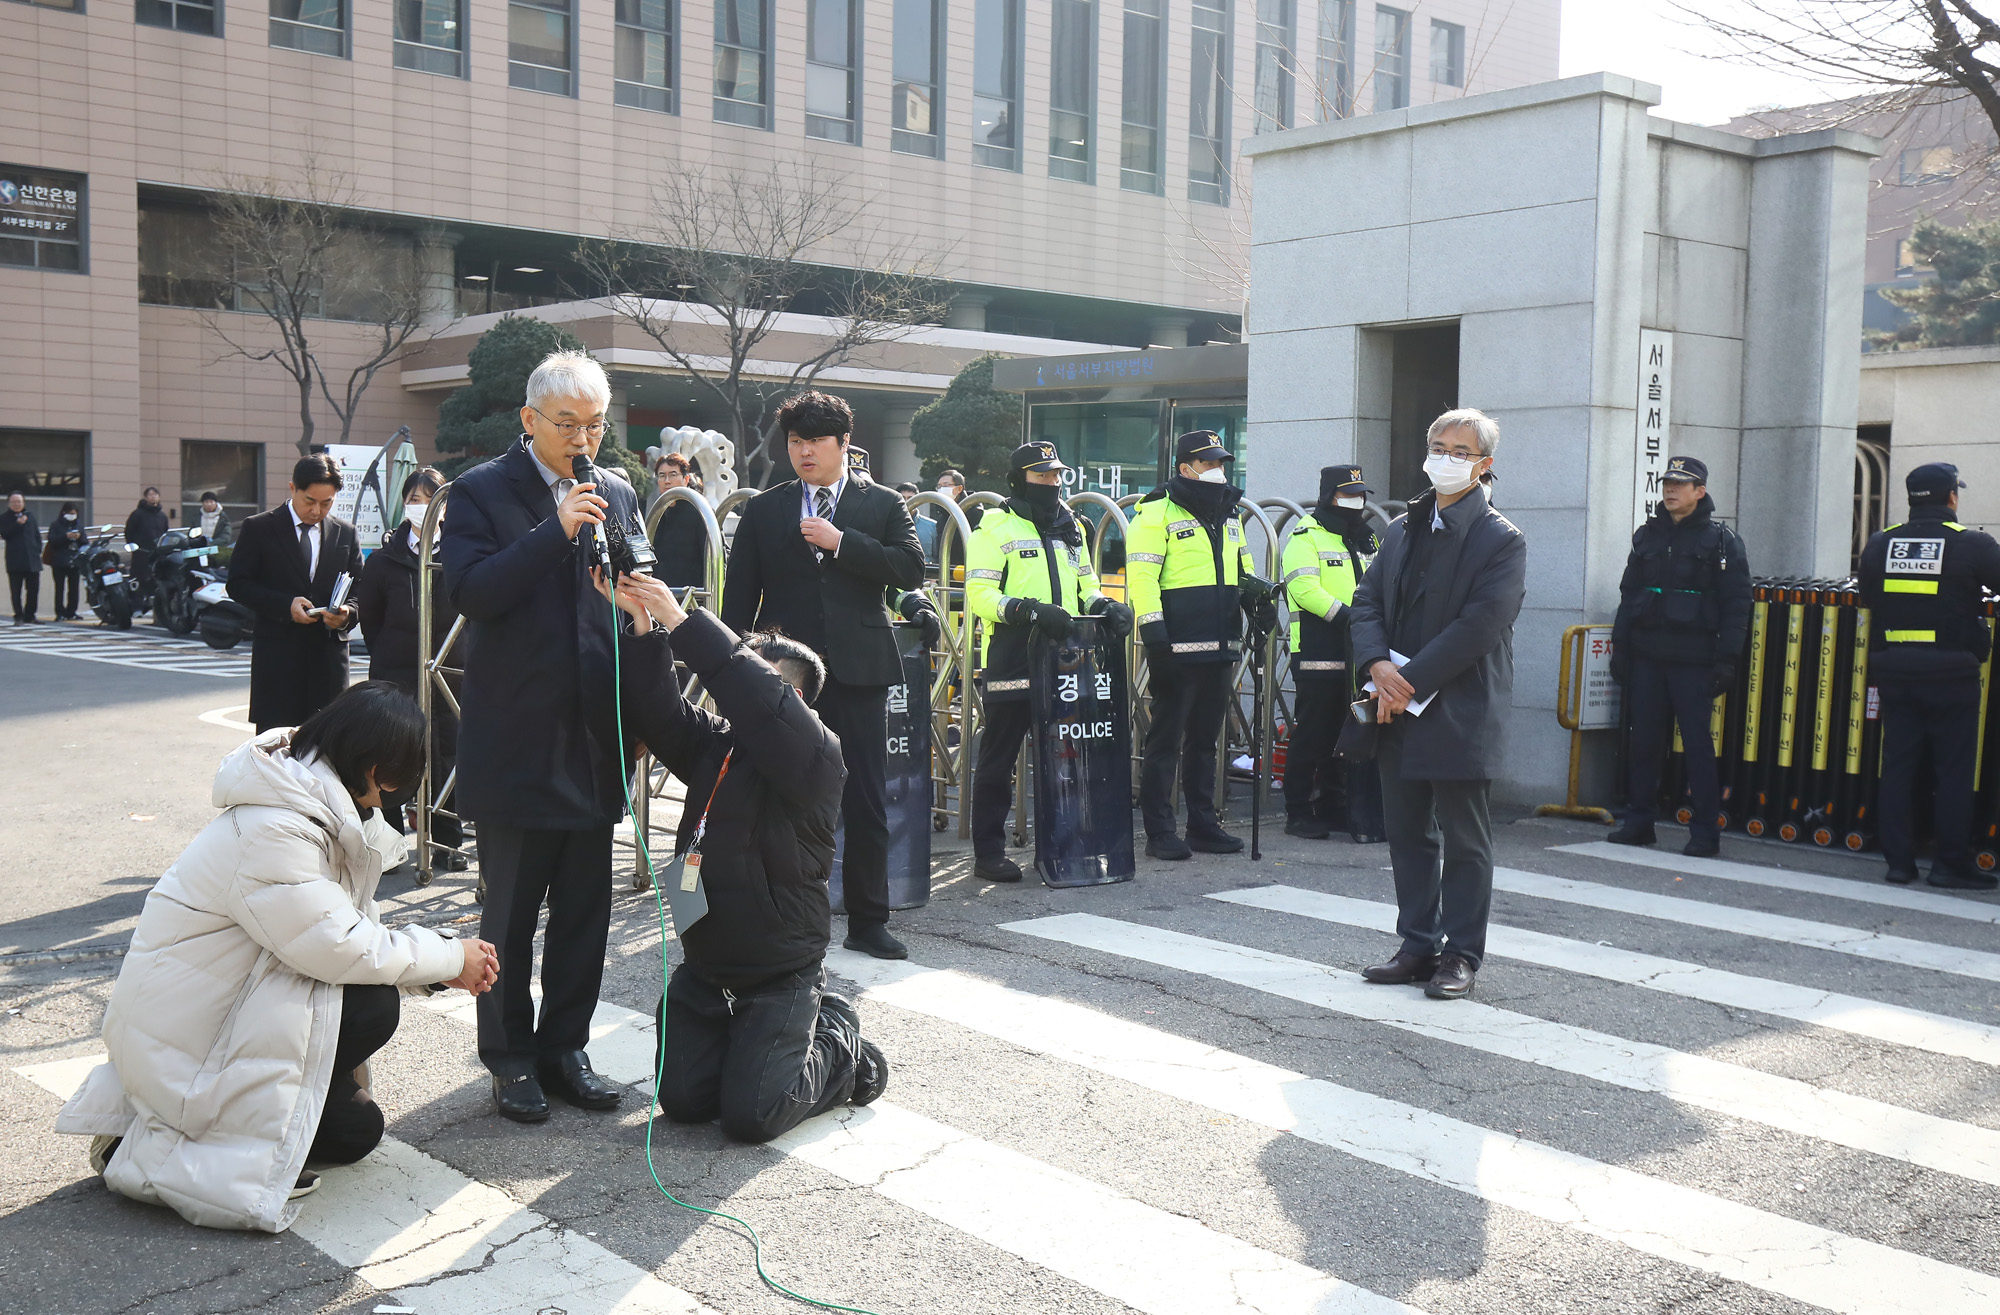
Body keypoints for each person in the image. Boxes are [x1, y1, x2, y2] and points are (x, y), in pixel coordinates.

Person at [53, 682, 499, 1232]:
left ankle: (245, 1126)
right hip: (191, 1041)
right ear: (371, 766)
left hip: (226, 1010)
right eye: (393, 780)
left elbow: (347, 930)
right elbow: (338, 946)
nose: (392, 798)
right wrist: (451, 958)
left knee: (356, 1133)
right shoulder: (276, 827)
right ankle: (136, 1140)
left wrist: (441, 969)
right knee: (368, 1006)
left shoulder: (310, 803)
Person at [441, 349, 649, 1122]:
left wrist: (637, 594)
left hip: (595, 735)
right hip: (517, 734)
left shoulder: (618, 489)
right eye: (568, 424)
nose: (584, 439)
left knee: (584, 916)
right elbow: (472, 591)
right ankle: (509, 1057)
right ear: (529, 420)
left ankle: (567, 1047)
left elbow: (625, 581)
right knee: (511, 916)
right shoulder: (481, 491)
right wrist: (554, 529)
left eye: (595, 424)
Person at [610, 572, 888, 1142]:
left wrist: (685, 623)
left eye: (750, 666)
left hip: (778, 968)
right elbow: (660, 713)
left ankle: (838, 1040)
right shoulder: (719, 744)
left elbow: (759, 699)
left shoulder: (816, 755)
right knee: (686, 1102)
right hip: (709, 962)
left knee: (752, 1116)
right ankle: (752, 1046)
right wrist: (643, 628)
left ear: (795, 698)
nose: (731, 682)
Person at [721, 390, 933, 961]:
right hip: (784, 673)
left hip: (859, 669)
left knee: (864, 796)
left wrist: (843, 544)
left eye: (815, 441)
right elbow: (739, 593)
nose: (804, 452)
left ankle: (869, 920)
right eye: (795, 441)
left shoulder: (883, 502)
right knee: (771, 792)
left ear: (844, 444)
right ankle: (768, 913)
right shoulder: (767, 508)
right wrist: (732, 665)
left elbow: (912, 567)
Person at [1349, 408, 1527, 1001]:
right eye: (1438, 446)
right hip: (1394, 703)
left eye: (1460, 450)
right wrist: (1377, 665)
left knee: (1464, 839)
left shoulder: (1500, 538)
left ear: (1483, 465)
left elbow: (1480, 626)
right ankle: (1417, 944)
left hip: (1458, 708)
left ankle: (1461, 955)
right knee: (1407, 832)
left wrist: (1406, 682)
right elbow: (1366, 599)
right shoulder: (1403, 527)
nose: (1446, 458)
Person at [964, 442, 1134, 882]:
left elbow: (1086, 582)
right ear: (1019, 479)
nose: (1052, 483)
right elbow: (980, 596)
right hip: (1013, 657)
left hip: (1067, 660)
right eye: (1042, 476)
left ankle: (1070, 845)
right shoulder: (994, 526)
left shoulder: (1073, 525)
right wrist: (1028, 609)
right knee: (999, 760)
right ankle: (988, 852)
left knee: (1071, 756)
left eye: (1056, 475)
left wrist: (1106, 605)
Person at [1127, 430, 1274, 860]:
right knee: (1165, 740)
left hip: (1221, 643)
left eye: (1220, 463)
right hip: (1176, 645)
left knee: (1206, 741)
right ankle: (1159, 831)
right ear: (1184, 467)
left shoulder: (1229, 513)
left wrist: (1256, 600)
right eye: (1208, 463)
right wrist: (1154, 637)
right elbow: (1141, 579)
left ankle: (1203, 825)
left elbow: (1242, 569)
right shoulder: (1155, 513)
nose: (1216, 471)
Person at [1858, 461, 2000, 890]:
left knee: (1898, 766)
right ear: (1951, 497)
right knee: (1953, 771)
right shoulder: (1973, 544)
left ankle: (1899, 864)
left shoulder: (1881, 543)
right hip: (1951, 671)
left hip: (1894, 669)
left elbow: (1868, 595)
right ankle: (1948, 865)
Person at [1608, 456, 1751, 858]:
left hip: (1694, 660)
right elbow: (1629, 595)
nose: (1670, 490)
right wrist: (1621, 647)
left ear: (1699, 491)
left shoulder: (1721, 541)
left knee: (1697, 746)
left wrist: (1728, 660)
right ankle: (1639, 823)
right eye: (1667, 483)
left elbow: (1738, 605)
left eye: (1680, 484)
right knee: (1643, 743)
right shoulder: (1647, 536)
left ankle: (1705, 831)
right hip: (1648, 656)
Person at [354, 467, 466, 870]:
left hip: (451, 672)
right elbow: (371, 618)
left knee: (447, 753)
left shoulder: (459, 552)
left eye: (430, 498)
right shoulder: (386, 560)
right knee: (391, 753)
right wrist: (391, 654)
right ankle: (390, 844)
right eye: (415, 500)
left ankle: (446, 841)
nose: (421, 508)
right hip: (396, 671)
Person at [1282, 465, 1384, 842]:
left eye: (1360, 493)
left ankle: (1335, 805)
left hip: (1361, 653)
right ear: (1329, 497)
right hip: (1318, 650)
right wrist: (1352, 618)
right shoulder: (1305, 537)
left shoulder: (1367, 539)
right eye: (1348, 494)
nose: (1356, 501)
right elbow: (1305, 589)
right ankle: (1300, 810)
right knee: (1314, 734)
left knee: (1349, 734)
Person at [228, 454, 364, 733]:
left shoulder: (345, 533)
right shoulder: (260, 528)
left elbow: (361, 587)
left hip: (328, 663)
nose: (317, 511)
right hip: (279, 662)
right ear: (293, 489)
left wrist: (348, 614)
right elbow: (238, 584)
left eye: (327, 503)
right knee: (276, 756)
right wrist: (285, 605)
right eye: (310, 501)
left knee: (328, 753)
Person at [650, 453, 708, 589]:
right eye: (662, 475)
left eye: (673, 474)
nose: (667, 481)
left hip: (692, 597)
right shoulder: (656, 514)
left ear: (686, 479)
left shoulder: (701, 512)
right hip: (660, 594)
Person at [125, 486, 170, 604]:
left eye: (155, 494)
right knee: (138, 579)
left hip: (157, 553)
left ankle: (155, 604)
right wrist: (133, 547)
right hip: (141, 552)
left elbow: (165, 533)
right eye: (150, 495)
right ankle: (136, 604)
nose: (153, 497)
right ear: (145, 497)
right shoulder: (137, 514)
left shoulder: (162, 516)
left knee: (156, 578)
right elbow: (129, 531)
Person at [2, 491, 42, 625]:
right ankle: (18, 616)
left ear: (23, 502)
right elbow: (5, 535)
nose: (17, 504)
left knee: (33, 590)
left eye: (19, 502)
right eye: (14, 502)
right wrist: (18, 524)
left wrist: (37, 550)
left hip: (32, 560)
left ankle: (30, 615)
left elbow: (37, 535)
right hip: (15, 560)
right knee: (16, 591)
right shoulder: (4, 518)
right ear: (9, 503)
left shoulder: (30, 516)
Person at [48, 500, 85, 621]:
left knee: (74, 588)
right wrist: (66, 537)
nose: (72, 516)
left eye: (74, 513)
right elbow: (52, 541)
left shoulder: (78, 525)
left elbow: (85, 542)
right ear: (64, 512)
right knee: (60, 588)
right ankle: (60, 612)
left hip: (74, 560)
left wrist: (79, 538)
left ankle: (71, 611)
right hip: (59, 561)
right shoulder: (56, 525)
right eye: (70, 513)